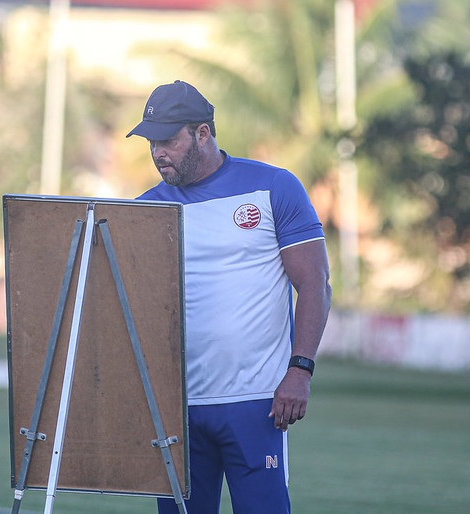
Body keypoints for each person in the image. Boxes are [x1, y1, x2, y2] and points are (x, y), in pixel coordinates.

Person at [126, 80, 332, 514]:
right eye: (151, 142)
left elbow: (315, 285)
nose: (158, 152)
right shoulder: (145, 209)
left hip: (256, 403)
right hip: (177, 409)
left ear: (202, 133)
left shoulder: (274, 187)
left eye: (168, 140)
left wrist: (301, 371)